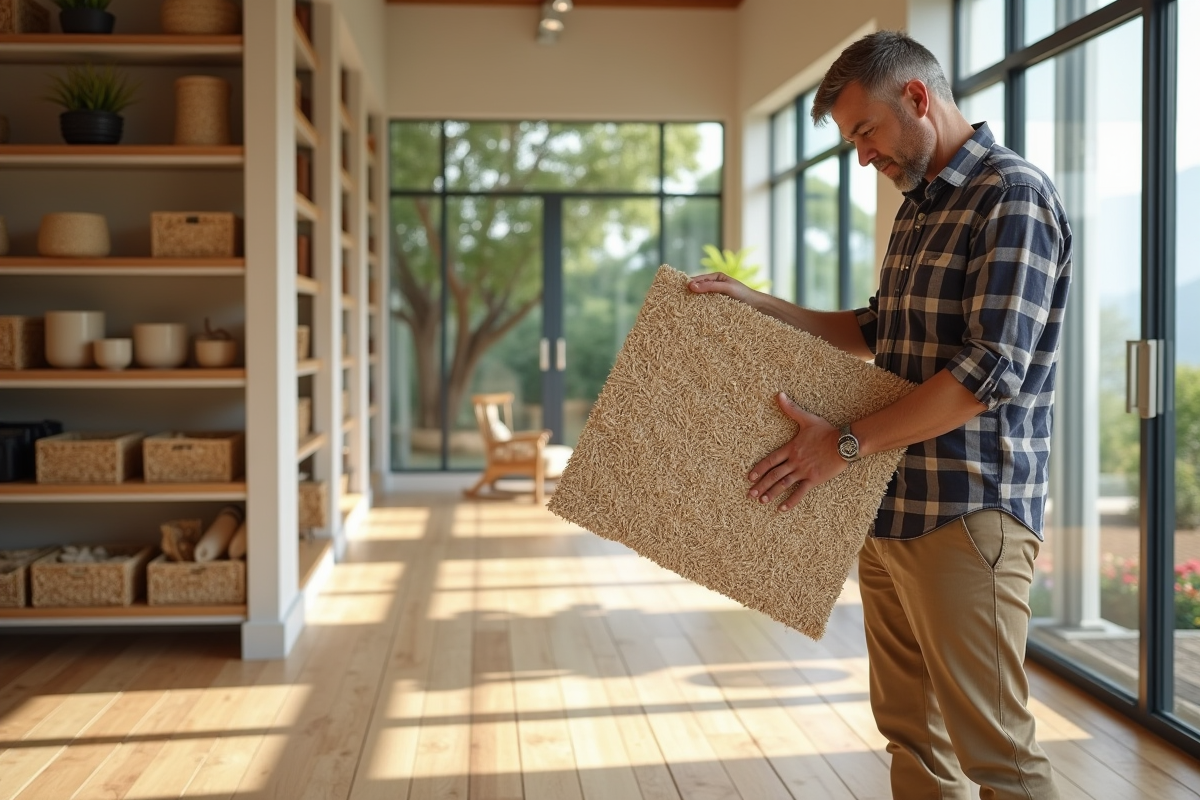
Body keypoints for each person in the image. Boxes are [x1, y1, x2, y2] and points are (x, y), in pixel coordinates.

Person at [689, 30, 1071, 800]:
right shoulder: (922, 205)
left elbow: (985, 373)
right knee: (913, 741)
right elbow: (879, 328)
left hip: (968, 512)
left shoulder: (1012, 195)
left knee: (995, 752)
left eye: (866, 131)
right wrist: (758, 306)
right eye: (851, 140)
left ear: (918, 99)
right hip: (892, 504)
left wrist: (845, 446)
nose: (863, 155)